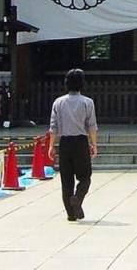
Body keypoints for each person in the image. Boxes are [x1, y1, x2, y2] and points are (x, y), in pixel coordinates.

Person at [48, 68, 98, 222]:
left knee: (66, 179)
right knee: (85, 177)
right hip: (80, 142)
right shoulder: (87, 102)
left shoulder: (59, 102)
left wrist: (51, 146)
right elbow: (91, 126)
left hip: (65, 143)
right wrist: (94, 144)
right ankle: (77, 198)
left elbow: (53, 126)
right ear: (82, 84)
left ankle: (70, 213)